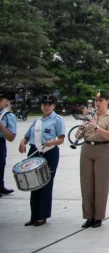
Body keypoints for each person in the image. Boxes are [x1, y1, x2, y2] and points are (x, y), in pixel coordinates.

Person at [18, 95, 65, 226]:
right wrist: (22, 143)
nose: (46, 106)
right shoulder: (36, 121)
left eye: (49, 104)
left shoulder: (57, 120)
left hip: (49, 152)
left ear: (54, 106)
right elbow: (26, 137)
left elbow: (61, 139)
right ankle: (34, 215)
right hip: (34, 152)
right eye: (44, 104)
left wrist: (52, 142)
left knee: (45, 183)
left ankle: (42, 216)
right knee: (33, 183)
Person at [79, 90, 109, 228]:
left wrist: (96, 126)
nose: (98, 103)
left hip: (103, 149)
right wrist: (81, 128)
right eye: (96, 100)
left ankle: (98, 217)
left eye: (101, 100)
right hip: (87, 148)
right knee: (86, 184)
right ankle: (88, 216)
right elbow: (80, 133)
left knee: (101, 185)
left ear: (107, 101)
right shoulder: (91, 115)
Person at [0, 91, 18, 198]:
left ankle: (0, 186)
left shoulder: (8, 116)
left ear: (6, 102)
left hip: (0, 141)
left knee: (0, 164)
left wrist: (1, 126)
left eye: (1, 100)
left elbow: (11, 137)